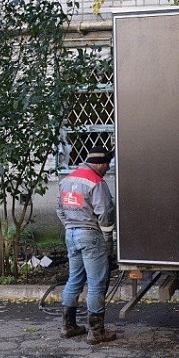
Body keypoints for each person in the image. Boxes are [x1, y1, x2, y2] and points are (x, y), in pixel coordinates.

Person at [56, 146, 117, 344]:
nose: (108, 168)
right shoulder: (96, 182)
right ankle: (96, 332)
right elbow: (105, 212)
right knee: (96, 283)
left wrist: (70, 226)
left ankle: (68, 326)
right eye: (107, 164)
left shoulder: (67, 179)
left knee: (74, 279)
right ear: (100, 163)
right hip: (91, 235)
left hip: (71, 234)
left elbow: (59, 209)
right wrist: (107, 238)